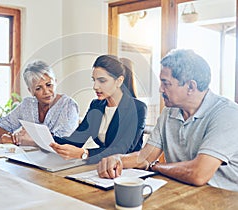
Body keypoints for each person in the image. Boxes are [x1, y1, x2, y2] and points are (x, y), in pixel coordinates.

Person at [97, 49, 238, 192]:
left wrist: (155, 166)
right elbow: (145, 157)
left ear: (191, 86)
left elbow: (198, 174)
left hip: (223, 198)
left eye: (166, 83)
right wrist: (118, 159)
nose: (160, 89)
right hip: (182, 191)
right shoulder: (169, 111)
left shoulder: (227, 114)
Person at [50, 55, 147, 164]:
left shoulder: (138, 108)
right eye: (94, 80)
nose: (95, 86)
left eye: (102, 81)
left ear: (119, 81)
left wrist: (84, 153)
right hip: (101, 167)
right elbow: (76, 140)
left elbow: (122, 149)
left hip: (127, 170)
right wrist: (43, 139)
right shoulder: (96, 105)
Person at [0, 60, 79, 146]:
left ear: (55, 82)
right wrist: (13, 137)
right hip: (30, 159)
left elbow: (63, 142)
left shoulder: (69, 106)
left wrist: (26, 141)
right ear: (31, 91)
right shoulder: (27, 105)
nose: (46, 92)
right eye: (38, 88)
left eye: (49, 85)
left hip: (61, 160)